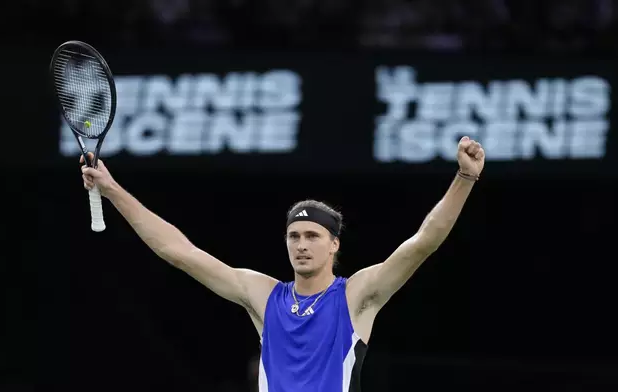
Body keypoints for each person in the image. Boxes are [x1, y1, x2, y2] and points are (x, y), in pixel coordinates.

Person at [80, 136, 485, 392]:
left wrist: (464, 180)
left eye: (312, 237)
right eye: (294, 236)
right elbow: (179, 251)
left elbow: (421, 244)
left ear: (334, 246)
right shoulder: (263, 294)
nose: (302, 245)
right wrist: (113, 190)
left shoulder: (357, 295)